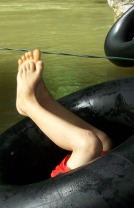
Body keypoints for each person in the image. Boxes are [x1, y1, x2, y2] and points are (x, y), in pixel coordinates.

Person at [16, 48, 112, 178]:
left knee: (96, 142)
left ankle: (42, 100)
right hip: (61, 194)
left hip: (59, 190)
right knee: (94, 142)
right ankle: (27, 103)